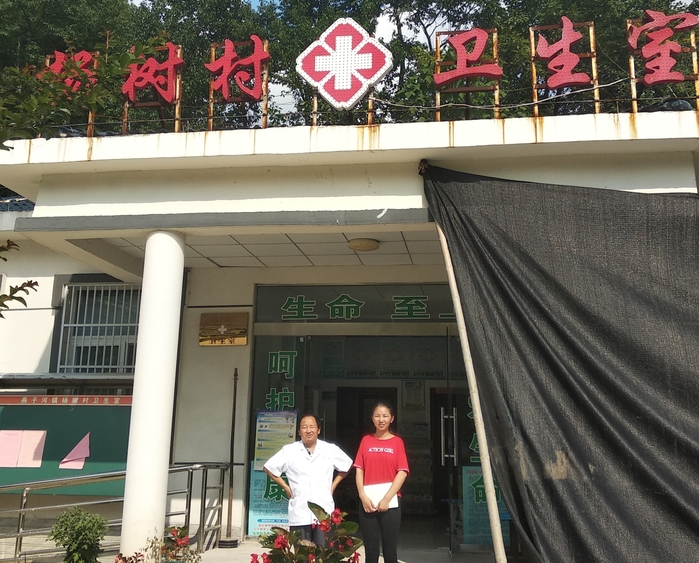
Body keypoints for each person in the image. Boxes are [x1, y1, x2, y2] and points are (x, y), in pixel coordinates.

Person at [263, 414, 353, 546]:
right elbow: (269, 468)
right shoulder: (289, 450)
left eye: (312, 427)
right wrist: (285, 486)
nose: (308, 430)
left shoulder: (330, 449)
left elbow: (347, 465)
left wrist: (333, 485)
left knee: (323, 552)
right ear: (299, 431)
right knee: (302, 552)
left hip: (323, 511)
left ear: (318, 430)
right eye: (304, 427)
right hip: (300, 511)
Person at [353, 402, 410, 563]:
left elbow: (402, 472)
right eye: (377, 416)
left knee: (390, 552)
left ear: (392, 419)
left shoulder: (397, 442)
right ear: (372, 418)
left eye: (385, 416)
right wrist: (362, 496)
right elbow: (359, 469)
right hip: (368, 502)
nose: (381, 419)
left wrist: (386, 498)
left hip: (390, 502)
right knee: (371, 552)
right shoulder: (366, 441)